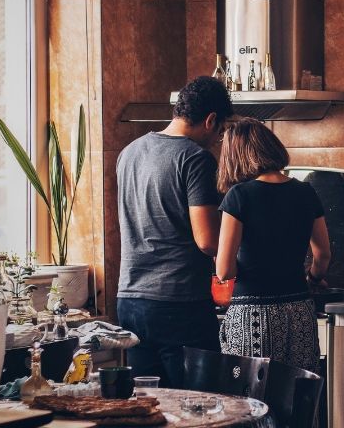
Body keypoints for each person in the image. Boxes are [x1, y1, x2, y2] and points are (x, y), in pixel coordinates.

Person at [116, 75, 233, 388]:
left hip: (130, 301)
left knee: (152, 407)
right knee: (202, 407)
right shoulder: (196, 159)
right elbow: (208, 241)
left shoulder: (128, 153)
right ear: (211, 120)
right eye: (220, 132)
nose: (216, 141)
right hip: (178, 305)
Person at [215, 118, 331, 373]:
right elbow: (322, 254)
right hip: (300, 310)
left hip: (253, 316)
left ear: (235, 156)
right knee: (298, 397)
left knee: (250, 403)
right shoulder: (305, 192)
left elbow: (224, 271)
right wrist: (312, 278)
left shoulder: (239, 195)